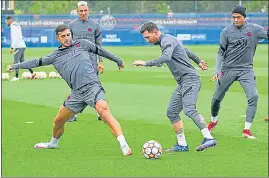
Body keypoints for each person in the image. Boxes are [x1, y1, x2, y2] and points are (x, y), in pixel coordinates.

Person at [6, 24, 132, 156]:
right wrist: (15, 66)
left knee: (103, 110)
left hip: (92, 87)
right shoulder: (54, 56)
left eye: (68, 35)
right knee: (58, 121)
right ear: (57, 38)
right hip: (77, 94)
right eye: (63, 36)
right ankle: (53, 143)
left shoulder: (82, 44)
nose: (67, 38)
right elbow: (36, 62)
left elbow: (100, 51)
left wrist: (118, 60)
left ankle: (124, 145)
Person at [133, 22, 217, 152]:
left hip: (190, 80)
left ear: (155, 32)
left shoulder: (166, 40)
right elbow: (186, 50)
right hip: (183, 82)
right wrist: (198, 61)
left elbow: (166, 57)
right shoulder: (168, 40)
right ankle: (182, 144)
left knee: (189, 109)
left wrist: (145, 63)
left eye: (148, 37)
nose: (147, 41)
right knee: (172, 112)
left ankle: (208, 137)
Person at [208, 5, 268, 139]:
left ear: (244, 17)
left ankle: (246, 130)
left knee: (253, 96)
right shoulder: (226, 31)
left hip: (246, 70)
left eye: (238, 17)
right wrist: (217, 69)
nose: (235, 20)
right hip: (227, 69)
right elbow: (220, 52)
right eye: (233, 17)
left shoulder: (255, 29)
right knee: (216, 99)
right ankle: (213, 121)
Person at [68, 1, 103, 121]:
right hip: (76, 60)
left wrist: (101, 61)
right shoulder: (71, 25)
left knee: (95, 85)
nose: (83, 13)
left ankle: (100, 112)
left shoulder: (95, 25)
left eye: (85, 10)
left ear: (89, 10)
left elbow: (99, 45)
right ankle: (72, 114)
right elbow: (68, 44)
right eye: (81, 11)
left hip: (92, 60)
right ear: (77, 12)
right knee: (76, 86)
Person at [5, 16, 34, 81]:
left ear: (10, 20)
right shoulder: (17, 26)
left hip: (18, 46)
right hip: (22, 45)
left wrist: (12, 47)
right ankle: (32, 72)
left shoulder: (13, 27)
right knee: (22, 61)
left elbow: (15, 38)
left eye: (7, 21)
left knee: (16, 62)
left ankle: (16, 77)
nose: (6, 23)